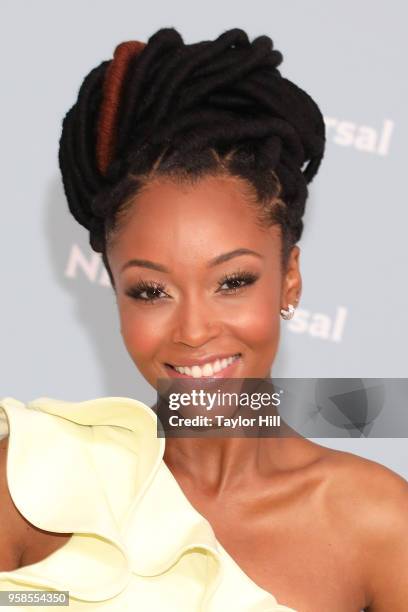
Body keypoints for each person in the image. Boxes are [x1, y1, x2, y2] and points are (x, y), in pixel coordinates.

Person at [1, 27, 407, 612]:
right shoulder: (30, 480)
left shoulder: (378, 524)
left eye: (233, 282)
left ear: (289, 277)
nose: (193, 330)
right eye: (150, 290)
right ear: (115, 293)